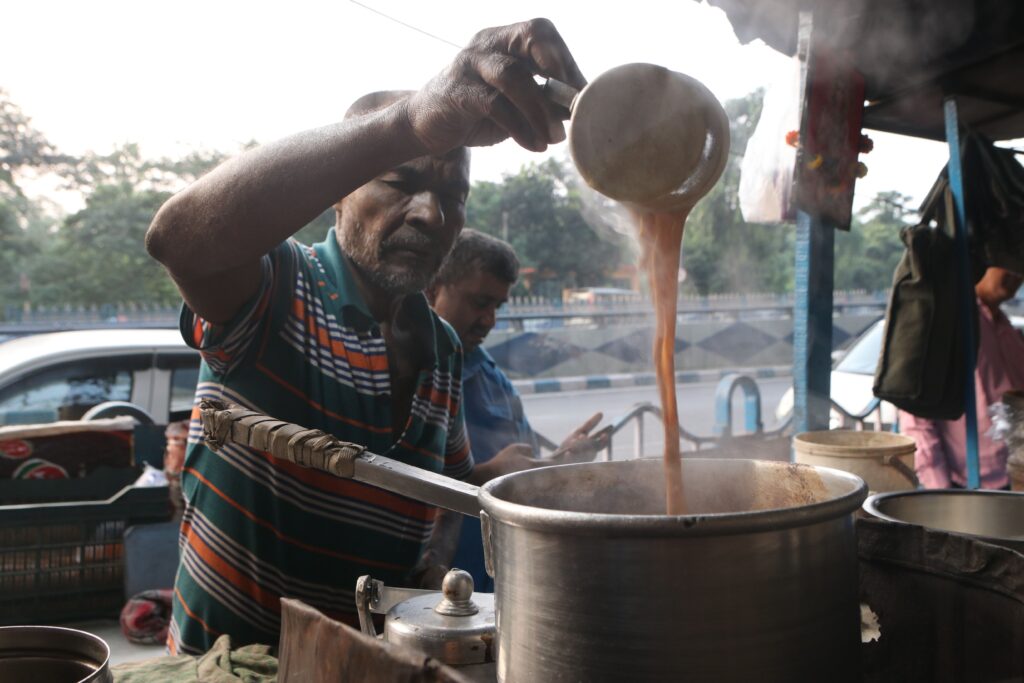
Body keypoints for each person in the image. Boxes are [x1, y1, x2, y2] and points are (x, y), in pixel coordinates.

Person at [145, 19, 586, 654]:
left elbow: (441, 501)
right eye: (402, 183)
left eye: (452, 195)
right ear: (338, 197)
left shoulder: (440, 349)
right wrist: (410, 122)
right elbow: (178, 239)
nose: (432, 215)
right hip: (234, 668)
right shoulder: (282, 286)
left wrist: (452, 559)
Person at [427, 229, 607, 591]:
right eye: (480, 302)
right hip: (432, 591)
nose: (490, 320)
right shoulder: (404, 369)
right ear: (433, 288)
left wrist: (560, 459)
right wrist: (488, 474)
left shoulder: (495, 381)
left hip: (499, 587)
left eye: (497, 306)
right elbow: (389, 481)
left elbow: (526, 471)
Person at [901, 266, 1024, 489]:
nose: (1016, 274)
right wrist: (940, 491)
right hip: (969, 487)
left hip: (1014, 479)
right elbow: (918, 418)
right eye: (1007, 263)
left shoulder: (1006, 329)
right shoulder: (951, 323)